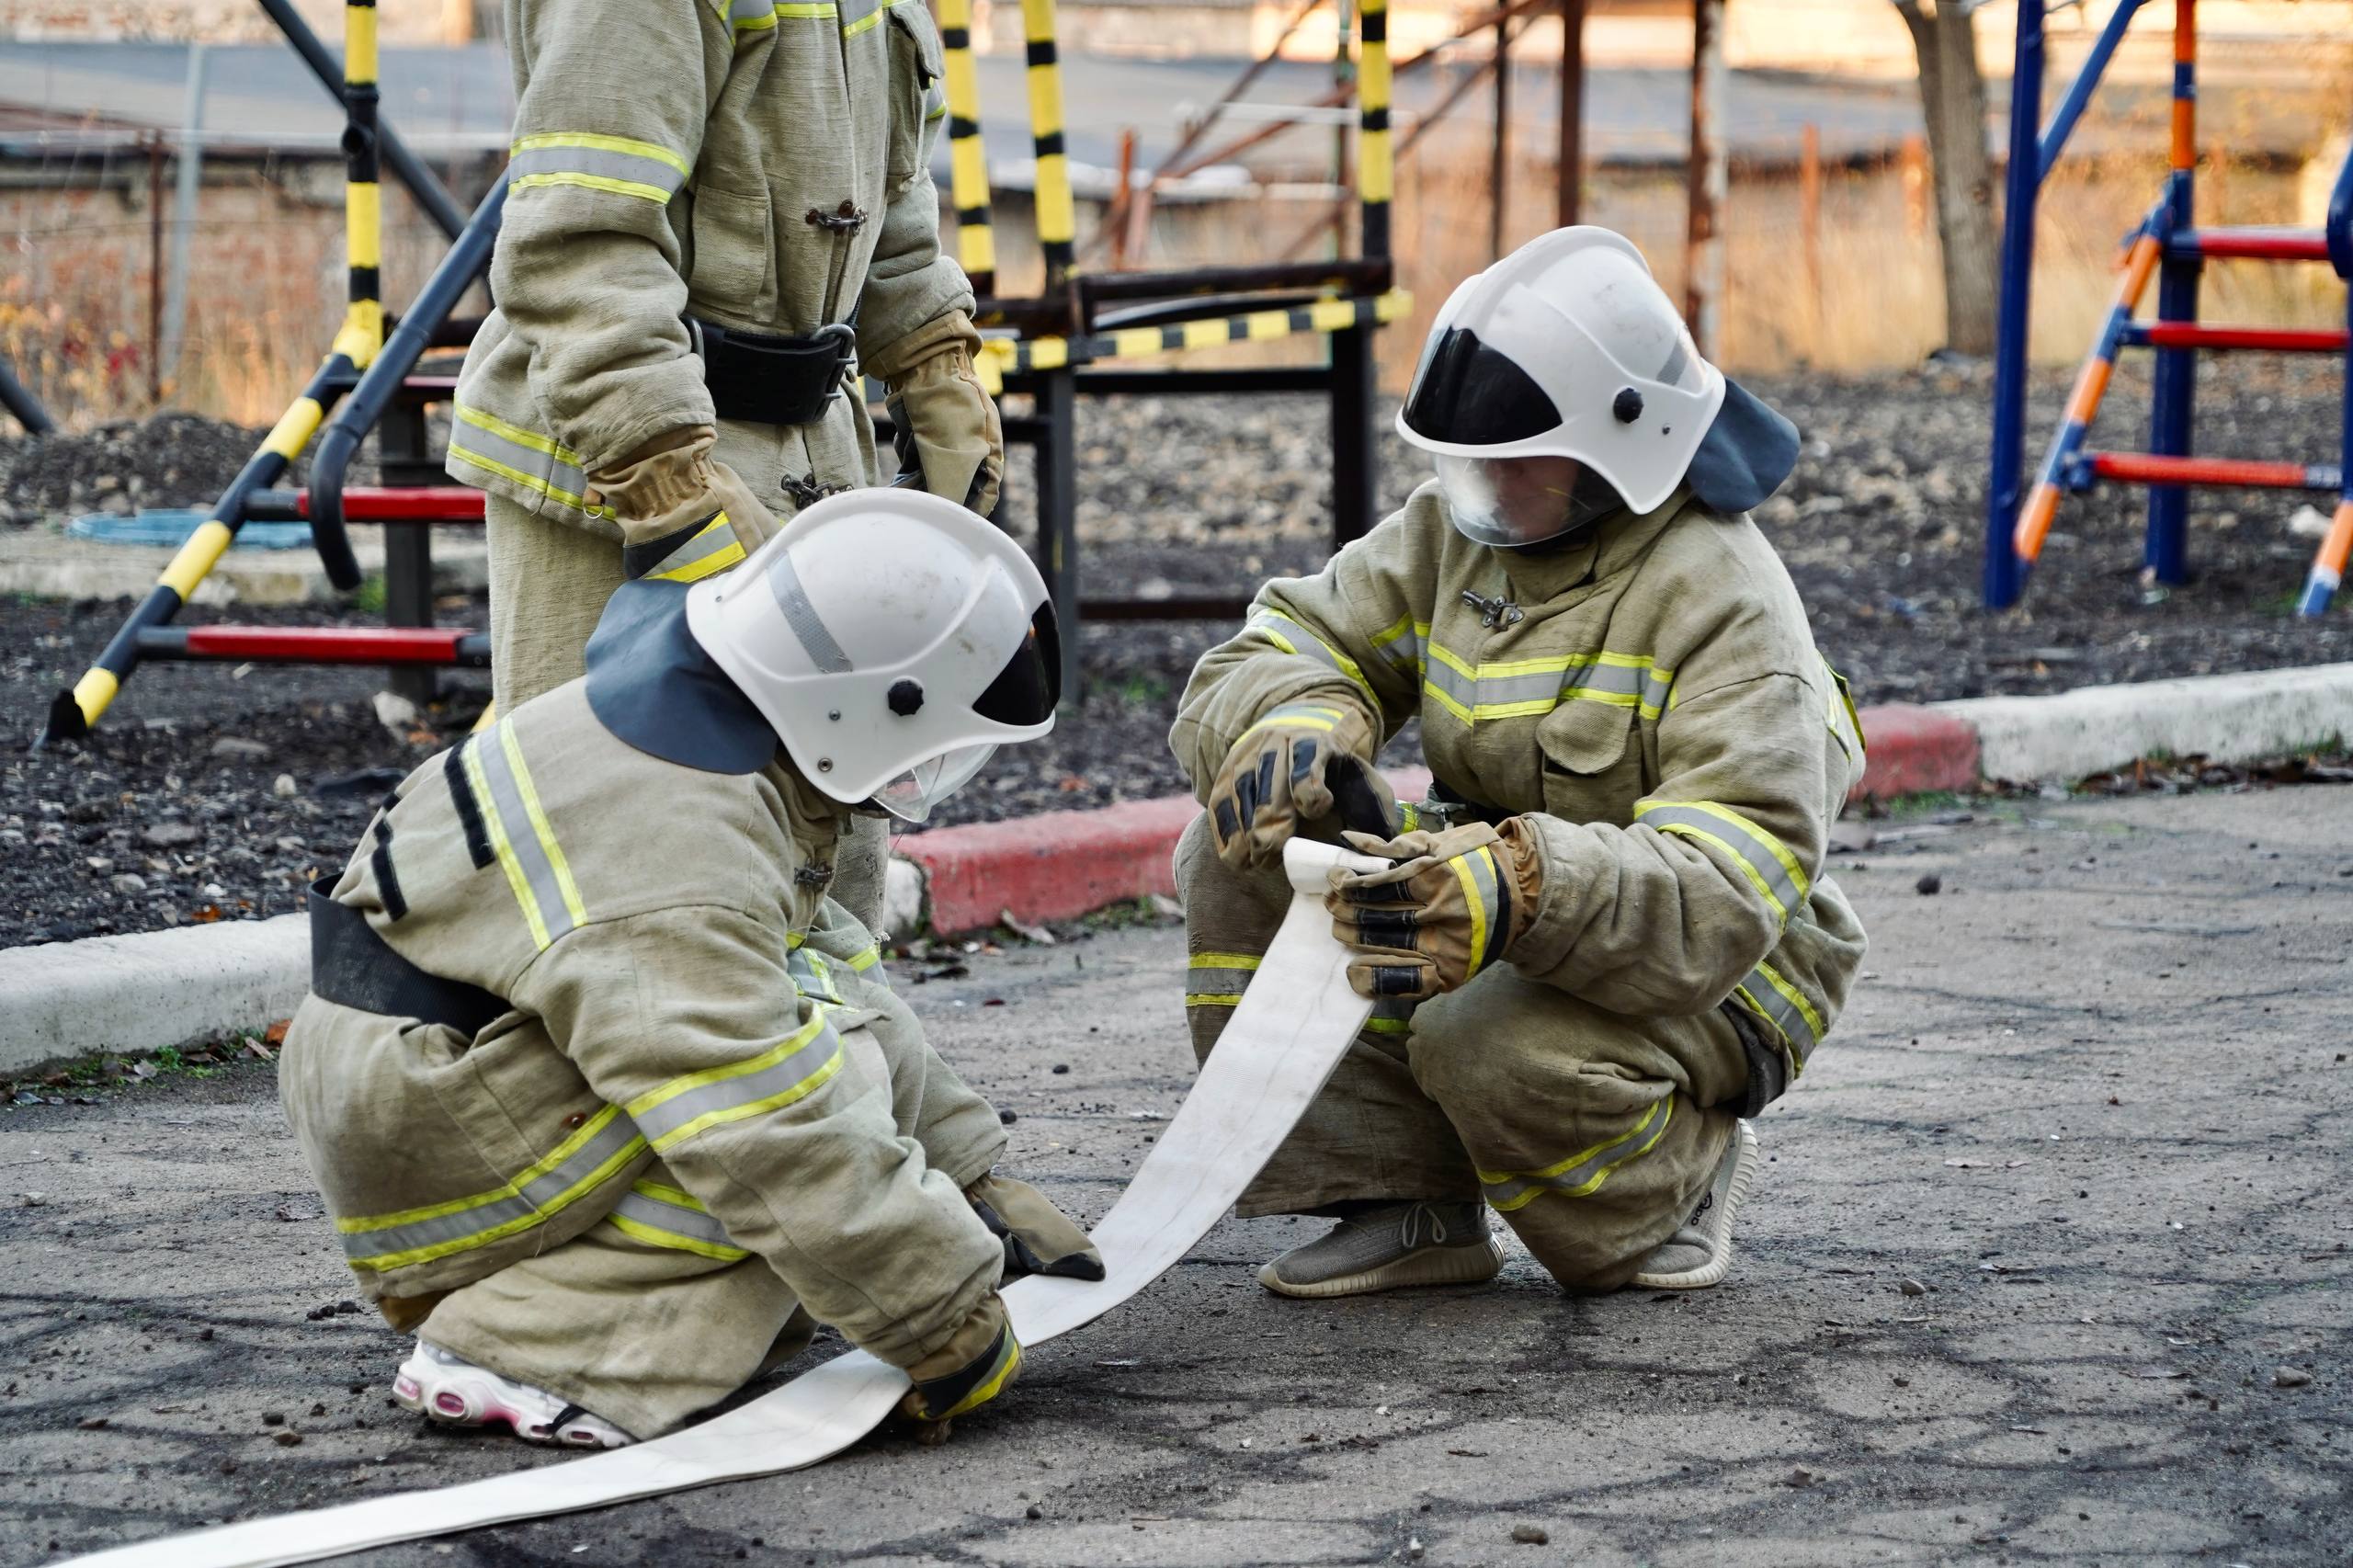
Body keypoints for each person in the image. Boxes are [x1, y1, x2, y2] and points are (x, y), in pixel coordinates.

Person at [280, 491, 1096, 1449]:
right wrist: (935, 1310)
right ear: (862, 701)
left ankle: (573, 1287)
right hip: (428, 1123)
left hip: (439, 1073)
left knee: (822, 1040)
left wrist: (967, 1179)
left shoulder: (690, 735)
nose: (921, 776)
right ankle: (533, 1343)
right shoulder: (677, 839)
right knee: (782, 1123)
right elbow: (756, 1111)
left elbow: (820, 965)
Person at [1169, 227, 1868, 1301]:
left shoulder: (1725, 601)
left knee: (1483, 1038)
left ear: (1619, 445)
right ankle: (1404, 1200)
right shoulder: (1463, 535)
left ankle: (1663, 1181)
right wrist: (1292, 721)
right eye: (1463, 459)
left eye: (1509, 455)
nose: (1477, 482)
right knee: (1240, 856)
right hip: (1504, 898)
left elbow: (1729, 887)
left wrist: (1521, 883)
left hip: (1724, 963)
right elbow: (1300, 634)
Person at [445, 0, 1004, 931]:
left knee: (827, 868)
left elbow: (890, 189)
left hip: (810, 454)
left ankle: (831, 1070)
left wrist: (936, 364)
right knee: (636, 878)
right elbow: (583, 243)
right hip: (621, 471)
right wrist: (666, 479)